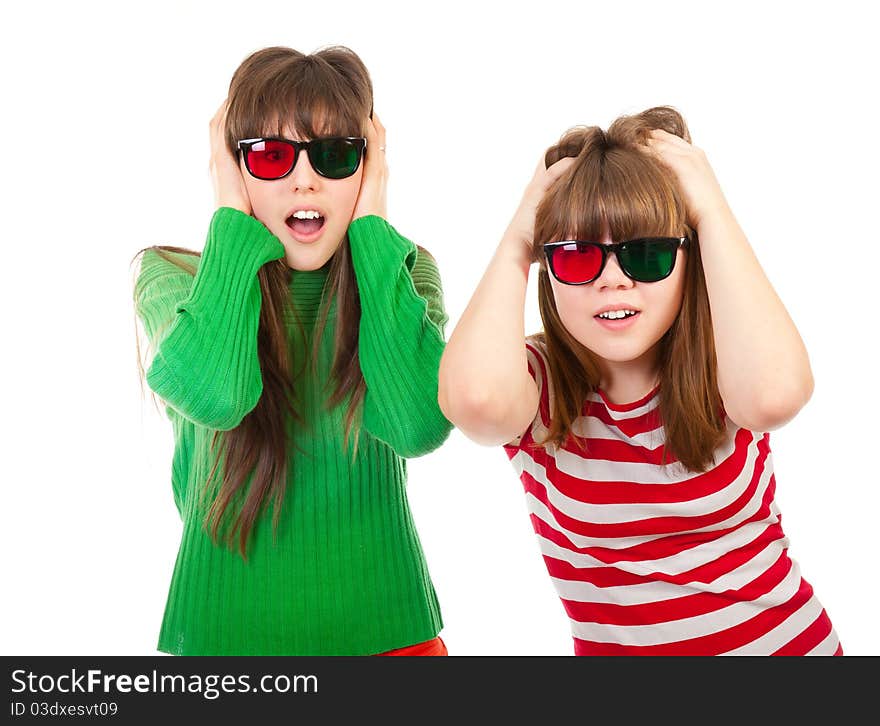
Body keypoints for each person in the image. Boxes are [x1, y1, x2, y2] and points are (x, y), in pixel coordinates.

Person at [437, 106, 841, 655]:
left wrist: (711, 210)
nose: (614, 281)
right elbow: (475, 402)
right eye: (578, 257)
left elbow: (776, 395)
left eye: (646, 254)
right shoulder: (537, 383)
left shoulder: (726, 362)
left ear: (687, 259)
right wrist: (517, 238)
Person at [132, 45, 451, 655]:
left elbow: (417, 426)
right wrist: (231, 212)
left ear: (368, 167)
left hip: (394, 646)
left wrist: (373, 231)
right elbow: (217, 394)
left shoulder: (402, 275)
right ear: (234, 165)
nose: (305, 179)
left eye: (335, 155)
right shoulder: (173, 279)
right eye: (272, 155)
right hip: (221, 651)